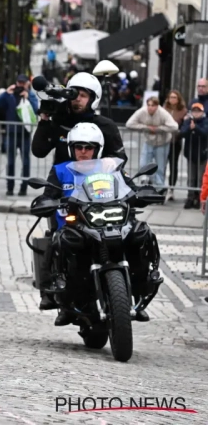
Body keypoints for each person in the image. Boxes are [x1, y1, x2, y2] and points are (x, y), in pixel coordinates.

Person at [38, 123, 151, 324]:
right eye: (79, 147)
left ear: (97, 149)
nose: (83, 152)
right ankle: (55, 295)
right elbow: (49, 193)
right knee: (57, 240)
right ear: (71, 148)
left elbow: (129, 186)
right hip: (74, 225)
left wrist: (141, 193)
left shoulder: (112, 166)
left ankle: (139, 294)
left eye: (88, 147)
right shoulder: (61, 170)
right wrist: (48, 201)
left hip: (108, 221)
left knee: (141, 233)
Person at [32, 71, 127, 165]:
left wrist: (107, 163)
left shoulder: (106, 126)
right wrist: (44, 120)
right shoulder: (60, 121)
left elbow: (120, 159)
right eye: (74, 94)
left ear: (93, 99)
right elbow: (39, 151)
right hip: (61, 178)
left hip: (95, 178)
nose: (77, 99)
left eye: (83, 96)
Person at [0, 75, 39, 196]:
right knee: (10, 162)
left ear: (27, 84)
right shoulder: (10, 95)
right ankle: (10, 187)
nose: (20, 86)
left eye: (23, 83)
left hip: (25, 133)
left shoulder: (31, 95)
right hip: (11, 133)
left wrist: (28, 97)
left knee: (25, 162)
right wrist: (6, 93)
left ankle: (23, 188)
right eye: (19, 83)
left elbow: (36, 109)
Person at [125, 96, 178, 191]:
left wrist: (159, 129)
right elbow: (129, 124)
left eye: (153, 105)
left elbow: (174, 126)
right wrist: (146, 127)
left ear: (157, 106)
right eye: (148, 105)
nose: (150, 107)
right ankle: (149, 182)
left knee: (160, 167)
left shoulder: (163, 113)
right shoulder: (142, 111)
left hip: (163, 143)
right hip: (149, 142)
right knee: (143, 164)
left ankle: (160, 189)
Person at [179, 102, 208, 209]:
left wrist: (195, 128)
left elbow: (205, 132)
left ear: (202, 112)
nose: (196, 113)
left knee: (201, 178)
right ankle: (190, 197)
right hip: (191, 154)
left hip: (202, 154)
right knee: (191, 178)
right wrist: (190, 128)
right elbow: (182, 133)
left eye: (198, 111)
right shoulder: (187, 121)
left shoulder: (205, 121)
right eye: (194, 111)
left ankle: (199, 198)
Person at [163, 90, 188, 200]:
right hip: (163, 141)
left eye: (175, 97)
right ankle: (161, 188)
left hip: (175, 141)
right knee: (161, 164)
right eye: (171, 97)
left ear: (178, 99)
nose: (172, 99)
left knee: (173, 165)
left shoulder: (183, 111)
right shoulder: (164, 109)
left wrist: (179, 132)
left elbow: (184, 126)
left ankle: (171, 189)